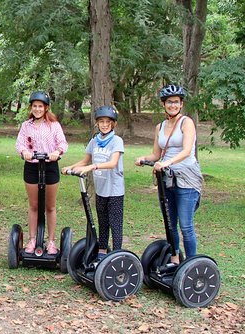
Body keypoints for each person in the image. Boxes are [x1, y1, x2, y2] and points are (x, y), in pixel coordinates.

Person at [135, 84, 204, 263]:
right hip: (167, 178)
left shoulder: (186, 122)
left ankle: (191, 264)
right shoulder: (160, 126)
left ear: (181, 104)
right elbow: (156, 154)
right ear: (164, 104)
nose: (172, 105)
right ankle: (175, 260)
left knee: (186, 225)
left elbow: (187, 150)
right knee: (170, 223)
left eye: (176, 102)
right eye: (168, 102)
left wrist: (166, 163)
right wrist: (144, 158)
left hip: (187, 178)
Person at [63, 106, 124, 261]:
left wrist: (93, 167)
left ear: (113, 124)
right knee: (102, 223)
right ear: (97, 123)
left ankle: (117, 256)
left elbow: (113, 162)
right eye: (101, 122)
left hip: (115, 191)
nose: (104, 124)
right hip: (101, 190)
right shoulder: (94, 141)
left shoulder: (117, 141)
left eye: (107, 122)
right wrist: (71, 167)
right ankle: (101, 254)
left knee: (115, 225)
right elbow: (85, 160)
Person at [15, 91, 68, 255]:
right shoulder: (26, 125)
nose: (37, 109)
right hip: (32, 167)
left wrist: (57, 152)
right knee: (34, 205)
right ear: (31, 108)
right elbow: (19, 144)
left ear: (46, 108)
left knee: (50, 206)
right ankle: (32, 239)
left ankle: (51, 242)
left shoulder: (54, 125)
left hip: (50, 167)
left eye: (40, 106)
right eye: (34, 106)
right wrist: (24, 152)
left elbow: (63, 143)